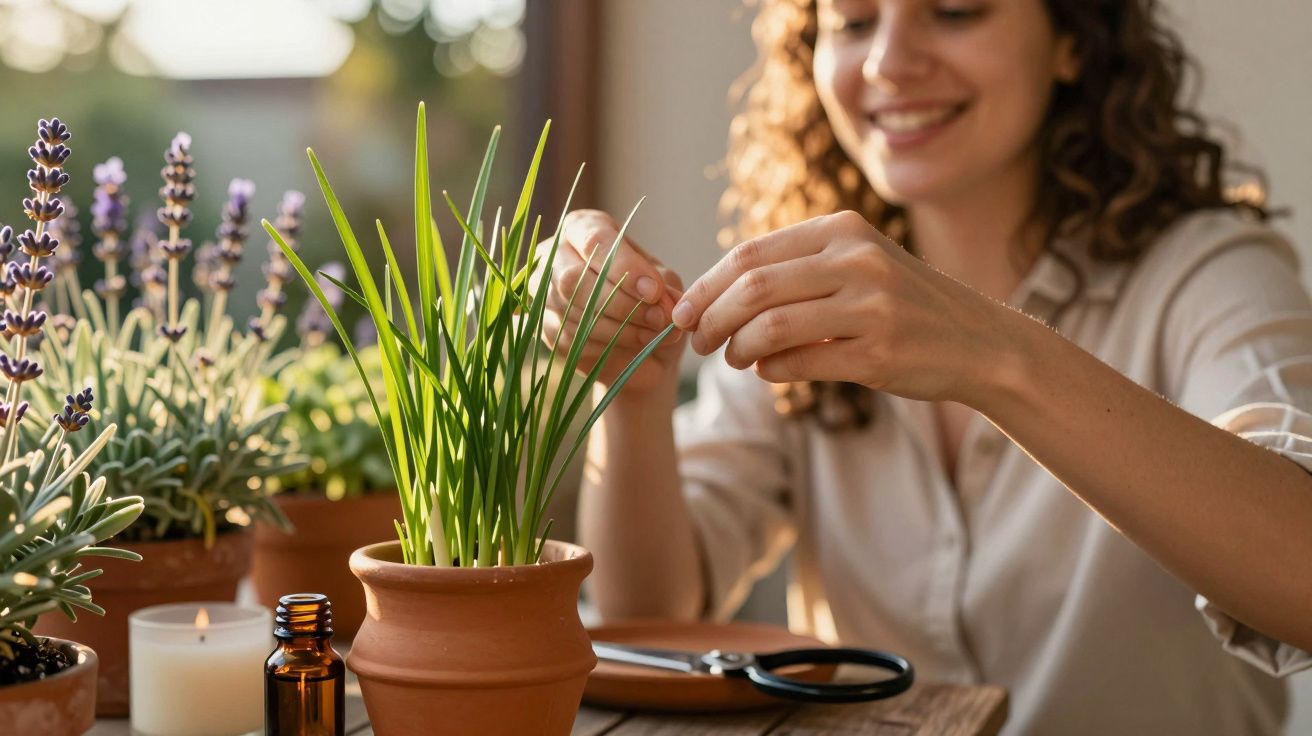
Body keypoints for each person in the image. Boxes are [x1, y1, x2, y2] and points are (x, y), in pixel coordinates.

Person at [539, 0, 1312, 733]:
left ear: (1075, 35)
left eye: (955, 10)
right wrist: (634, 398)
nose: (887, 63)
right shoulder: (801, 295)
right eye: (853, 21)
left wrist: (995, 356)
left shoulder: (1207, 273)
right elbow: (656, 619)